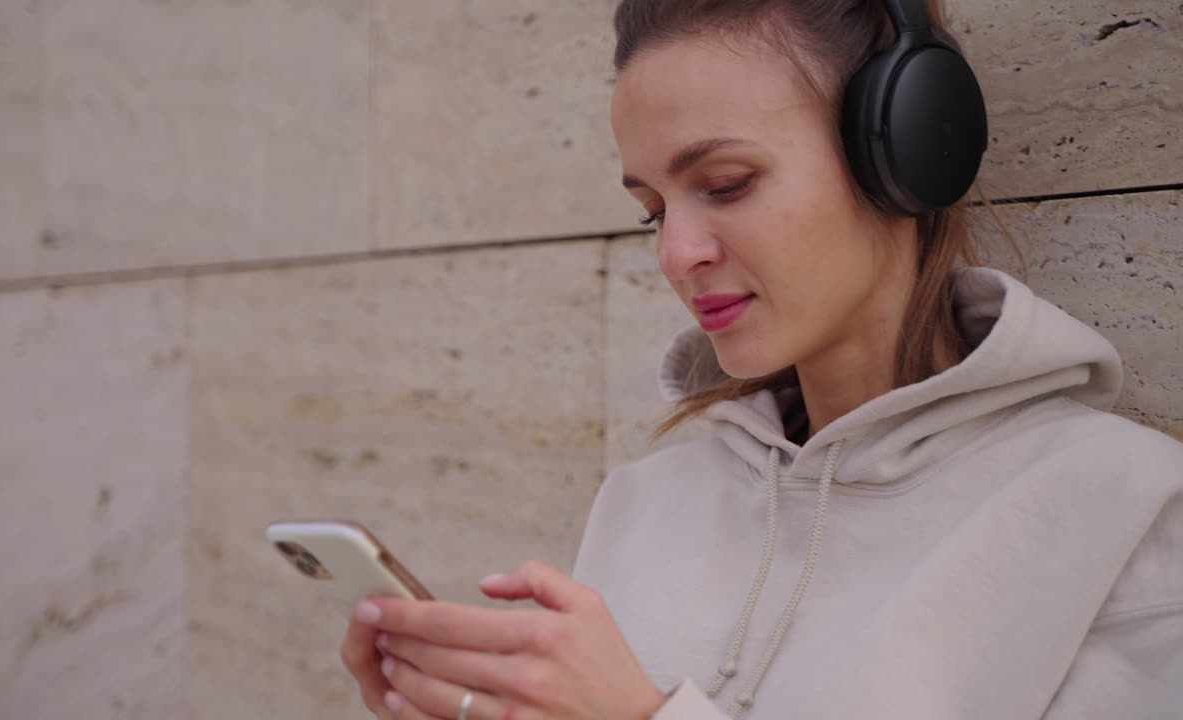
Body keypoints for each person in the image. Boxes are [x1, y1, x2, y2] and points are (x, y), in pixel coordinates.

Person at [340, 0, 1183, 717]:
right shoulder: (647, 503)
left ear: (904, 153)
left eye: (728, 181)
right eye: (652, 211)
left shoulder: (1122, 514)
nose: (675, 254)